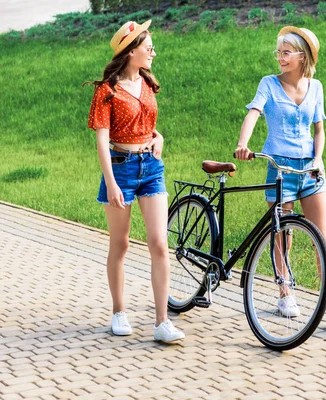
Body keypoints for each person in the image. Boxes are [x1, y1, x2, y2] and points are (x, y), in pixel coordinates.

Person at [234, 26, 326, 325]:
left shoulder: (316, 87)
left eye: (286, 53)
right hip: (280, 167)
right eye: (278, 52)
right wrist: (243, 144)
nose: (280, 58)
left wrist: (318, 158)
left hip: (311, 170)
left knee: (322, 237)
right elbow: (254, 112)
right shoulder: (269, 84)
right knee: (282, 235)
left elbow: (319, 129)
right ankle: (285, 293)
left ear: (303, 56)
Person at [85, 20, 184, 343]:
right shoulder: (108, 90)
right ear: (131, 51)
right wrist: (112, 184)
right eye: (148, 47)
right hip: (121, 169)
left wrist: (160, 138)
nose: (153, 52)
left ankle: (161, 322)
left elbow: (149, 124)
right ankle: (118, 311)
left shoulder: (147, 83)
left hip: (151, 167)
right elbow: (102, 141)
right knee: (121, 243)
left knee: (159, 242)